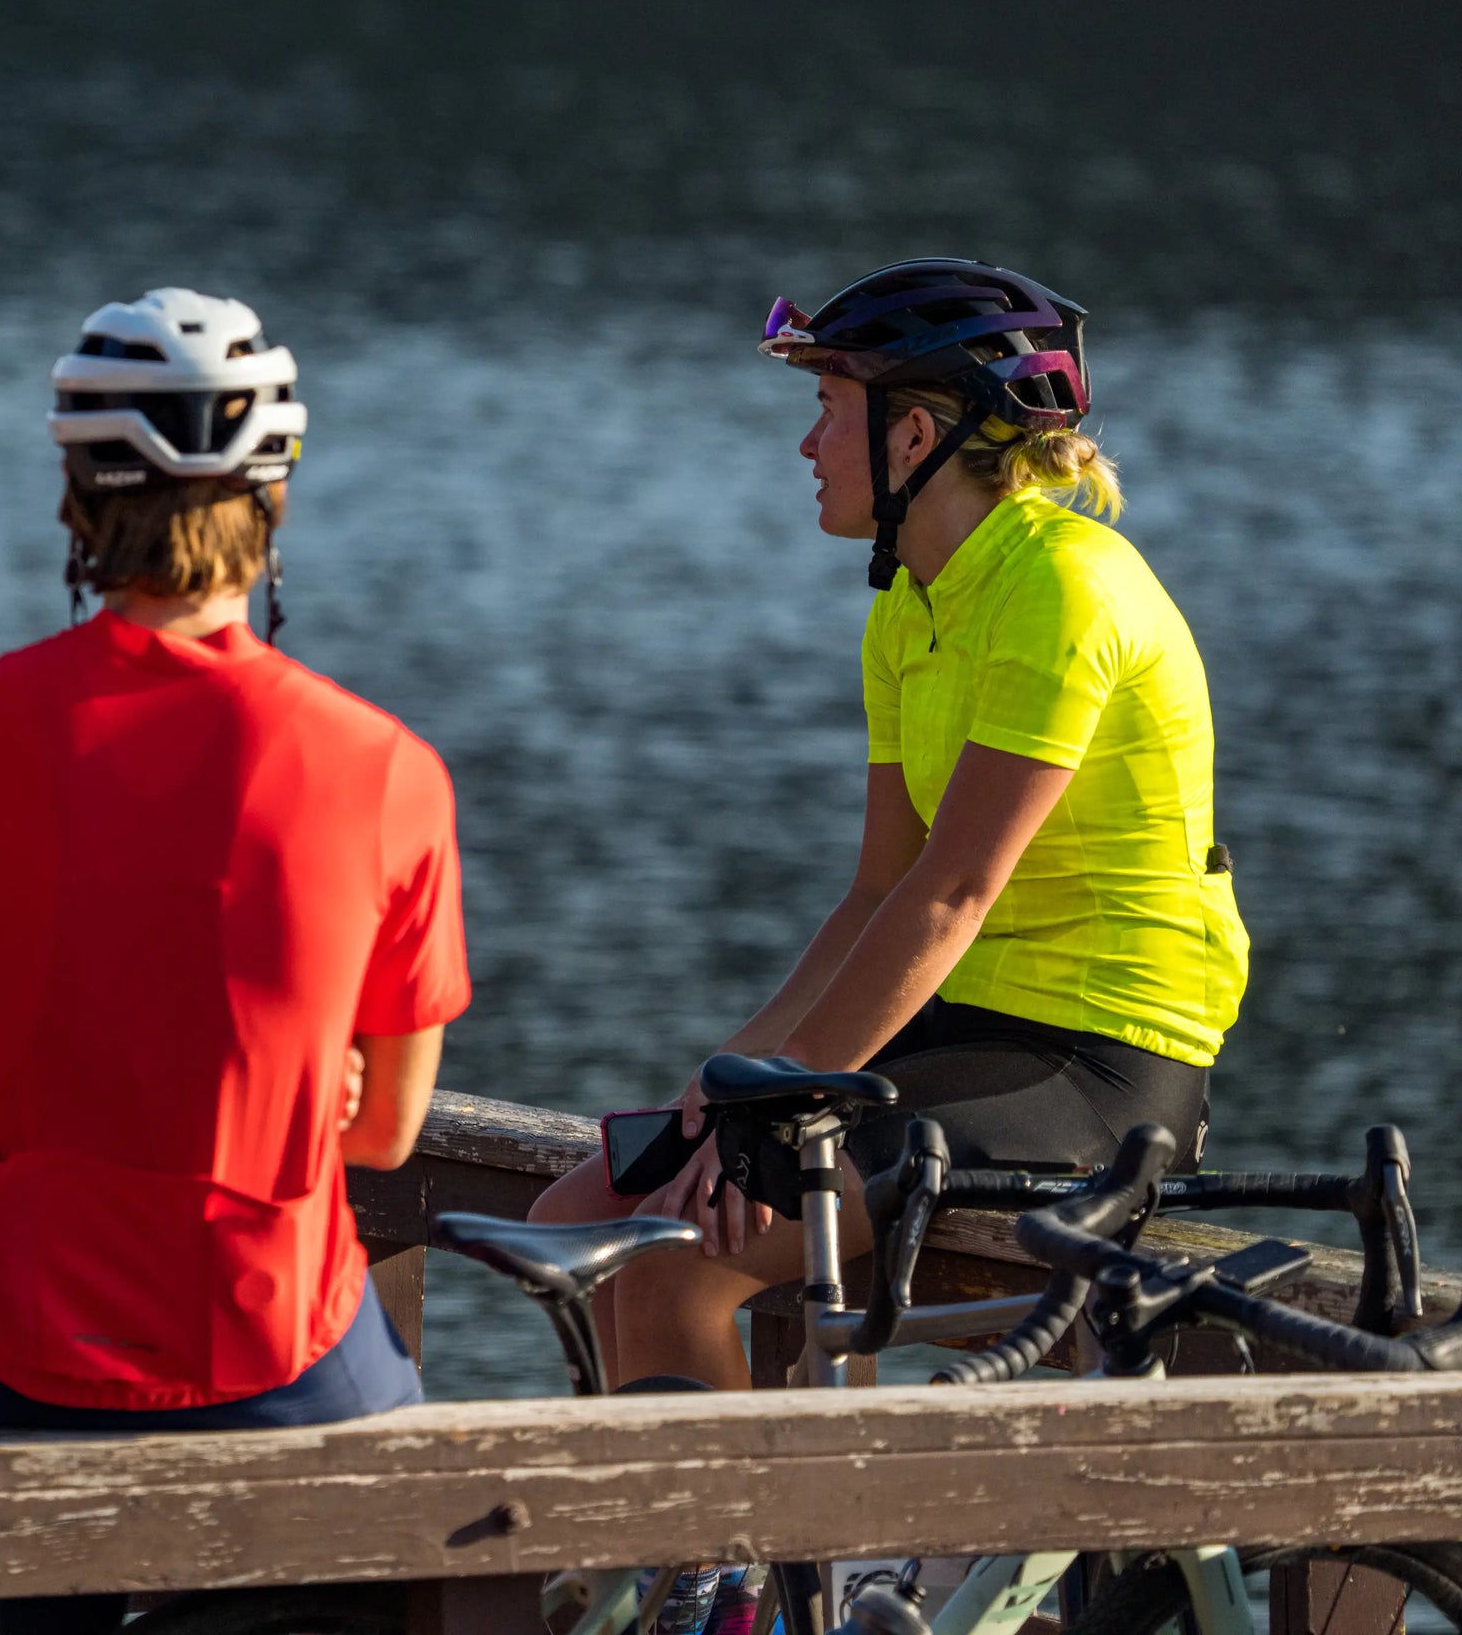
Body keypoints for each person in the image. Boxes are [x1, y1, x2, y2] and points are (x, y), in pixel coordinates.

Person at [532, 258, 1246, 1388]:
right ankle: (813, 1546)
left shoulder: (1062, 587)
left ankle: (742, 1562)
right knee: (584, 1214)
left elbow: (952, 894)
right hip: (966, 1028)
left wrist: (789, 1098)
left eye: (827, 409)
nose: (805, 446)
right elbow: (877, 890)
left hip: (1103, 1061)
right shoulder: (912, 601)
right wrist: (727, 1081)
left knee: (678, 1262)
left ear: (913, 437)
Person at [0, 287, 472, 1635]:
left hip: (17, 1353)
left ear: (79, 504)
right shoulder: (384, 768)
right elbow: (385, 1130)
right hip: (273, 1346)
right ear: (273, 509)